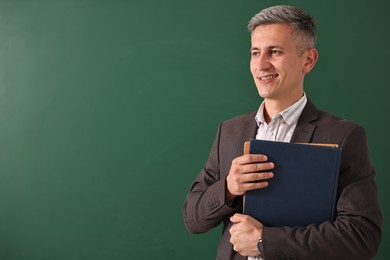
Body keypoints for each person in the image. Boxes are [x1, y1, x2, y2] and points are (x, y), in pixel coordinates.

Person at [183, 5, 383, 260]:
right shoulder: (230, 131)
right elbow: (193, 219)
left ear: (308, 60)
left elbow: (361, 236)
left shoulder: (343, 136)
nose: (261, 64)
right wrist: (229, 188)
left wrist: (264, 241)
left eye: (275, 52)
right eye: (255, 52)